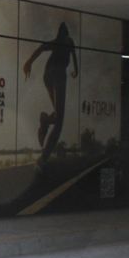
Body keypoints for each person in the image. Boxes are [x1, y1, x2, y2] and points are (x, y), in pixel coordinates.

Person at [22, 22, 78, 164]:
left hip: (49, 75)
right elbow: (42, 48)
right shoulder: (63, 41)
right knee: (59, 123)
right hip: (56, 74)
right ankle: (43, 159)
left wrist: (29, 62)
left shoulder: (65, 41)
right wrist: (29, 62)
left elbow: (72, 54)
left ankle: (45, 120)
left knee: (58, 117)